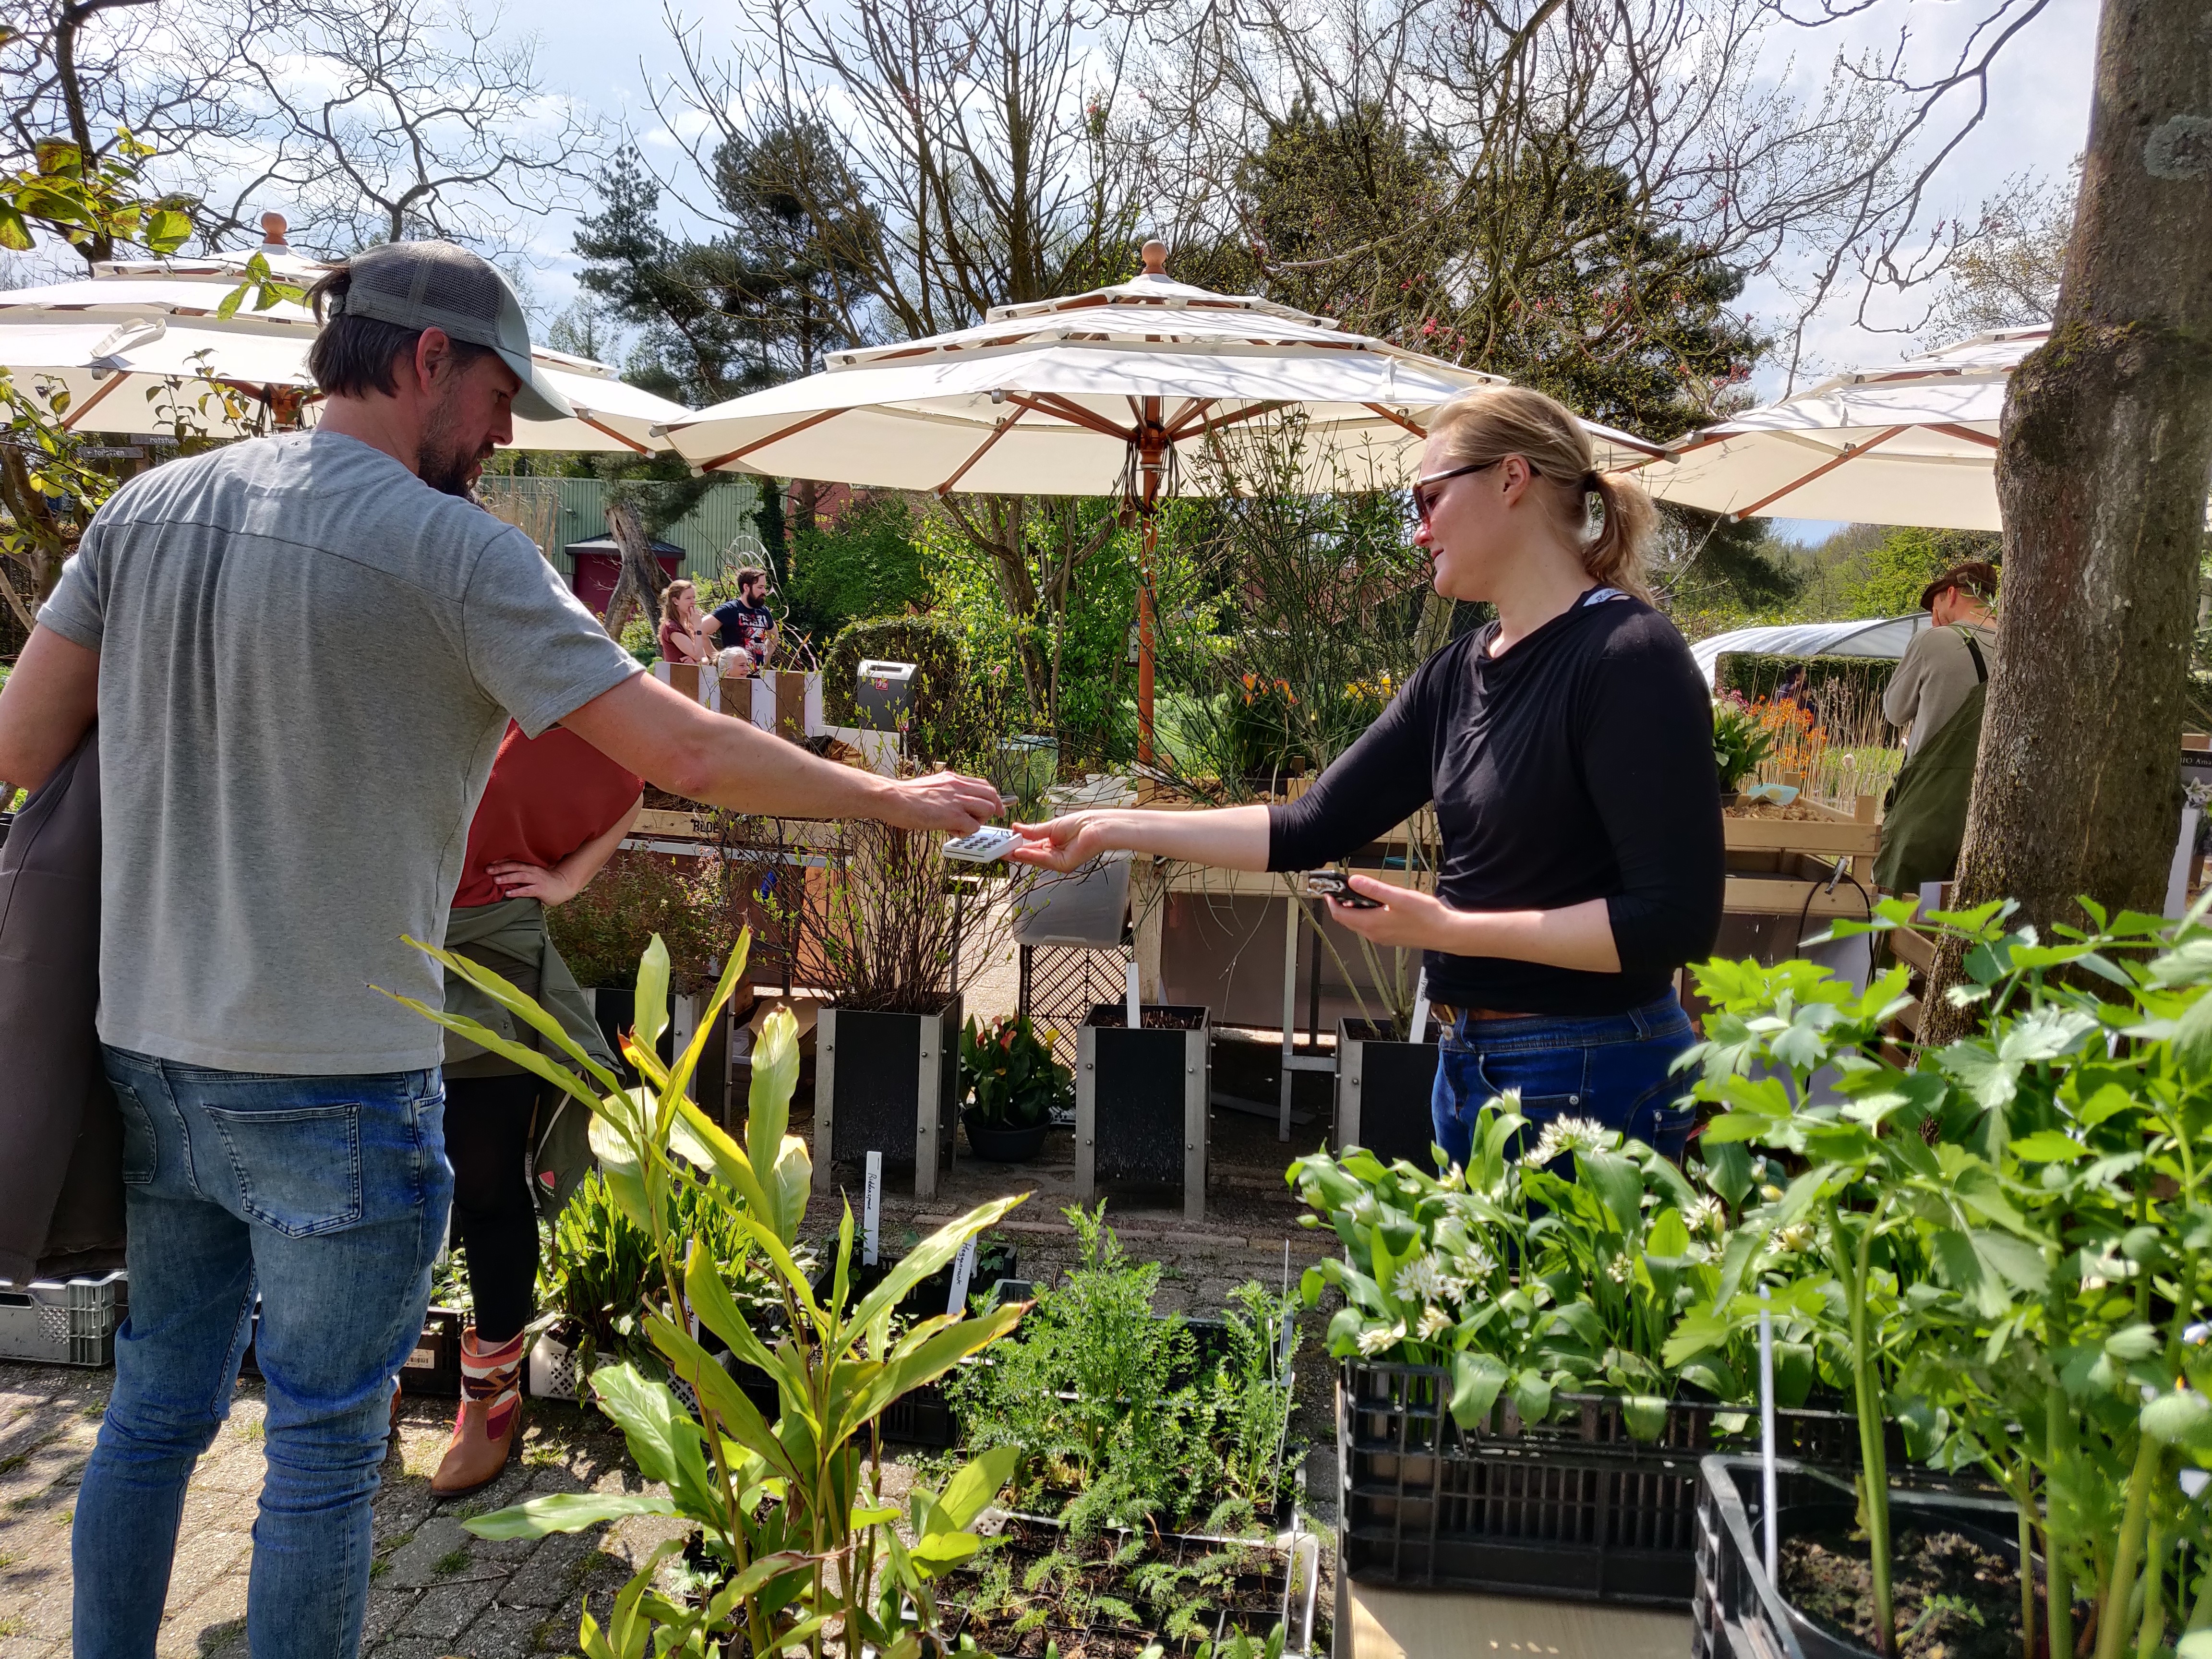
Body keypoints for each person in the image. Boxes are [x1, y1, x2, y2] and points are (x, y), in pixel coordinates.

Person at [0, 238, 998, 1659]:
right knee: (327, 1458)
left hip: (153, 1058)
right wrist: (887, 795)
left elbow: (23, 747)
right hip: (336, 1082)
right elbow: (684, 751)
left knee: (155, 1407)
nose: (507, 429)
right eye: (497, 396)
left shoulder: (149, 512)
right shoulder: (455, 553)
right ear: (425, 363)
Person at [1012, 385, 1724, 1168]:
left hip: (1590, 1067)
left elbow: (1672, 921)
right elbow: (1309, 824)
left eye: (1426, 498)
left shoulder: (1628, 657)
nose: (1416, 530)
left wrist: (1447, 929)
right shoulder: (1456, 673)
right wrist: (1112, 827)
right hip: (1469, 1062)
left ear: (1510, 479)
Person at [432, 717, 642, 1495]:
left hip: (489, 947)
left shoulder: (563, 684)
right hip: (365, 942)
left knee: (483, 1181)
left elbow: (642, 772)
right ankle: (364, 1377)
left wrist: (572, 879)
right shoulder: (401, 646)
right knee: (366, 1179)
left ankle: (489, 1397)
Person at [1872, 560, 2000, 896]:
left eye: (1936, 605)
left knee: (1898, 922)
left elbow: (1895, 711)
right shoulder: (2021, 647)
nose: (1934, 615)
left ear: (1952, 593)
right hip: (1989, 817)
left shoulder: (1934, 640)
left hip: (1927, 815)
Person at [706, 566, 778, 669]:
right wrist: (719, 660)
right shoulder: (731, 609)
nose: (764, 591)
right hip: (734, 675)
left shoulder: (764, 611)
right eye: (760, 587)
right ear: (746, 587)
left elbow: (774, 637)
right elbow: (701, 630)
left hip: (757, 675)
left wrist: (764, 659)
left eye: (765, 587)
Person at [656, 578, 714, 665]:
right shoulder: (671, 627)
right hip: (676, 676)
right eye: (688, 599)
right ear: (675, 601)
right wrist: (698, 627)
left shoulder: (690, 626)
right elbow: (697, 655)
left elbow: (705, 659)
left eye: (694, 598)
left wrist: (696, 662)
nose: (693, 602)